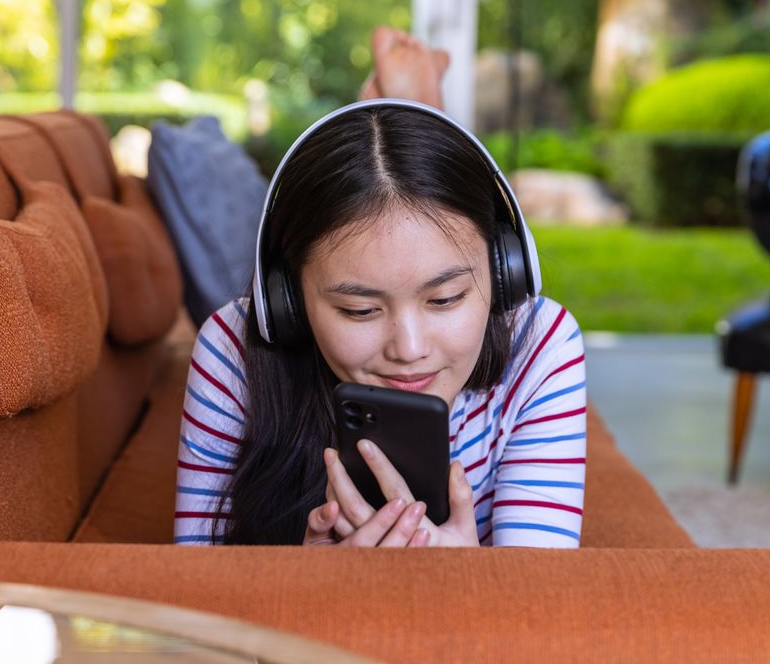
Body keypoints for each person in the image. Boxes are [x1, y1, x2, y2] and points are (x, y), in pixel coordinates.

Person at [174, 29, 586, 548]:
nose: (408, 351)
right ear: (288, 303)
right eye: (359, 309)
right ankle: (416, 100)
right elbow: (195, 581)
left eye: (445, 299)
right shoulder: (234, 350)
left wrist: (468, 576)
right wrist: (307, 580)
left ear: (505, 271)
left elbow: (540, 588)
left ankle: (417, 103)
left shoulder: (540, 343)